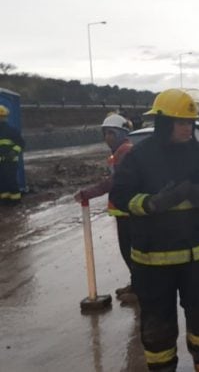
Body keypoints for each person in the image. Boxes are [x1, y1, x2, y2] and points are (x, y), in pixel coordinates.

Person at [110, 88, 199, 372]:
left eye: (190, 122)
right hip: (153, 262)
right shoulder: (139, 157)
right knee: (157, 324)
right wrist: (152, 203)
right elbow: (121, 196)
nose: (188, 128)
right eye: (181, 122)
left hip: (196, 258)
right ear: (164, 123)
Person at [74, 113, 135, 301]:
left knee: (131, 251)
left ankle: (140, 289)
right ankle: (136, 284)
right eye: (105, 133)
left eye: (111, 133)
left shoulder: (125, 151)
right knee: (128, 250)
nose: (107, 137)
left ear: (120, 133)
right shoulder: (120, 152)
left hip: (129, 210)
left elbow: (114, 182)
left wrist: (89, 193)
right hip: (123, 210)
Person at [0, 105, 25, 205]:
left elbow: (21, 143)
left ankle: (15, 201)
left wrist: (13, 152)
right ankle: (5, 201)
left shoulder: (11, 130)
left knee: (11, 181)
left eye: (2, 117)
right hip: (1, 162)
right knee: (2, 182)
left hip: (10, 161)